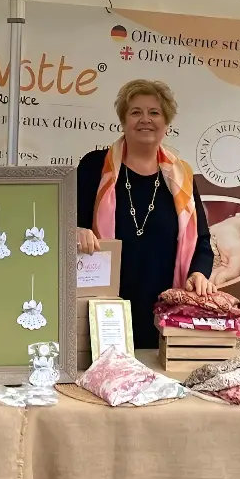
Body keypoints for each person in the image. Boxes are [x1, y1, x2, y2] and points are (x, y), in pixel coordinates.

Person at [76, 79, 215, 349]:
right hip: (104, 311)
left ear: (166, 122)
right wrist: (77, 230)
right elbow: (68, 222)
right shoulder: (94, 166)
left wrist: (198, 273)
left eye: (154, 112)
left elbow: (202, 241)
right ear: (123, 120)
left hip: (164, 312)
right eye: (135, 112)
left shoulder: (183, 176)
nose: (145, 119)